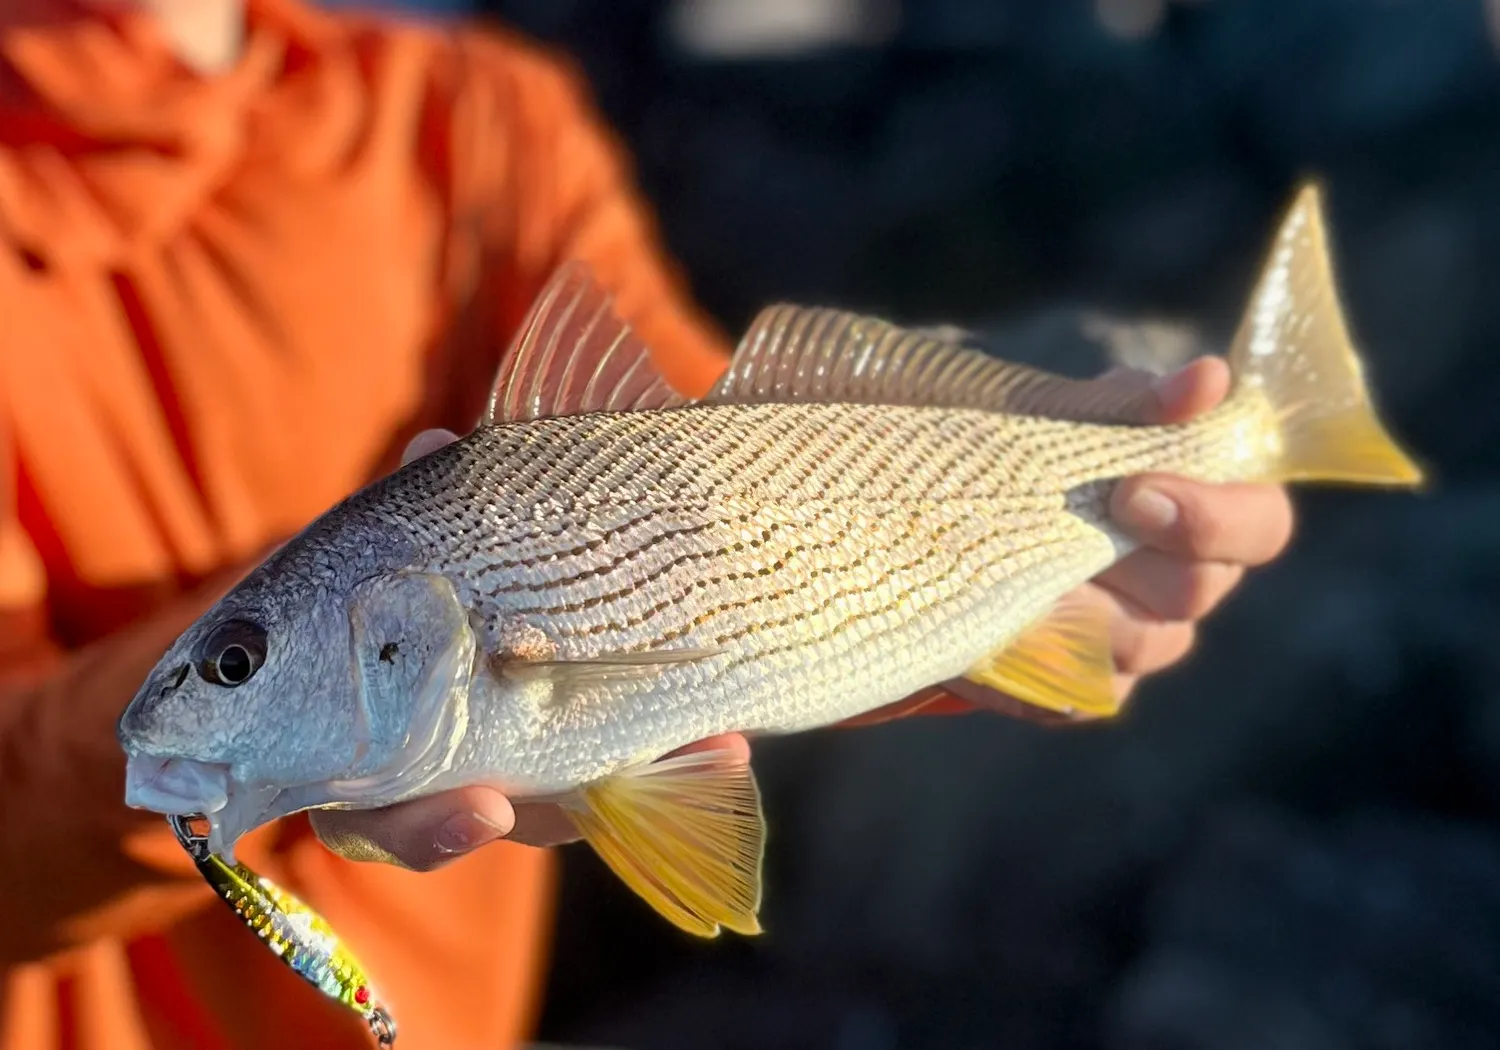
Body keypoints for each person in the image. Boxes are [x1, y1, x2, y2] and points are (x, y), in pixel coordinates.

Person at [0, 1, 1296, 1048]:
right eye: (236, 663)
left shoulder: (478, 114)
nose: (205, 696)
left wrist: (971, 552)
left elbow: (702, 435)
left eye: (235, 663)